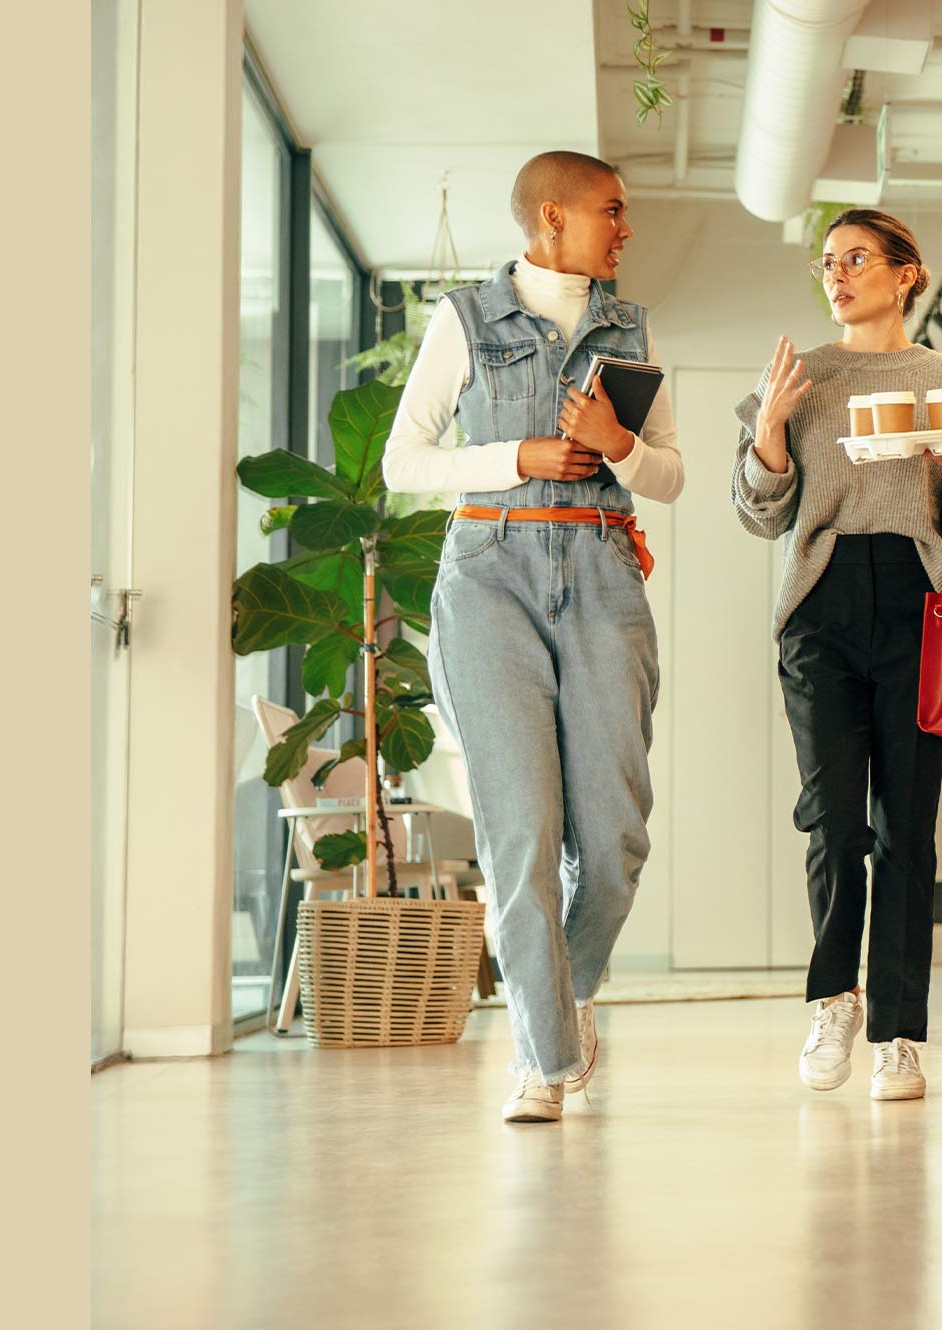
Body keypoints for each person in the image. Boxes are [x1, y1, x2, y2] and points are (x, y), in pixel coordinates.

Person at [386, 151, 685, 1123]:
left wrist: (619, 446)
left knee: (615, 840)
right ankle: (540, 1057)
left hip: (602, 571)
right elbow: (404, 462)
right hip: (489, 575)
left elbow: (670, 477)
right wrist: (514, 454)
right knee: (521, 839)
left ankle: (570, 992)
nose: (625, 228)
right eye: (613, 211)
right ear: (551, 219)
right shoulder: (464, 321)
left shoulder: (629, 328)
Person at [734, 209, 942, 1103]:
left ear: (906, 273)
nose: (837, 275)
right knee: (835, 821)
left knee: (908, 832)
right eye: (827, 263)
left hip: (922, 604)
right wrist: (770, 429)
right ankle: (833, 997)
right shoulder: (800, 379)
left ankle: (898, 1031)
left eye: (856, 260)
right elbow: (761, 514)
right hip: (821, 603)